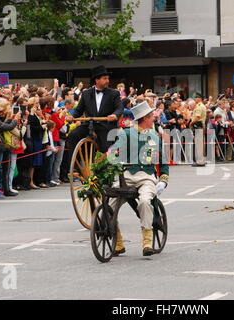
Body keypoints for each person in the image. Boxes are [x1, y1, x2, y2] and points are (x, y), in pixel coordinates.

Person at [109, 101, 169, 257]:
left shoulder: (155, 137)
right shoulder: (126, 134)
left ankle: (147, 242)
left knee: (144, 202)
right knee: (109, 206)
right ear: (144, 118)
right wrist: (114, 160)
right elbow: (113, 153)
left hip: (147, 177)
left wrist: (163, 179)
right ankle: (118, 242)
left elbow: (163, 160)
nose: (154, 118)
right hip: (126, 176)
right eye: (151, 116)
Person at [66, 65, 123, 154]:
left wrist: (115, 115)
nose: (107, 81)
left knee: (106, 145)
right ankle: (75, 166)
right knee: (73, 135)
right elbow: (79, 110)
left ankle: (105, 164)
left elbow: (119, 107)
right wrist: (72, 116)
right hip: (89, 124)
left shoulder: (114, 93)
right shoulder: (86, 93)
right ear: (97, 80)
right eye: (104, 78)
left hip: (105, 125)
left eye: (108, 78)